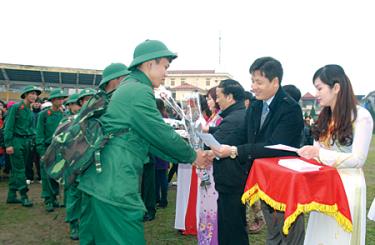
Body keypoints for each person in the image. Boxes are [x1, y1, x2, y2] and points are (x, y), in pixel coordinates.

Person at [77, 39, 210, 244]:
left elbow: (150, 140)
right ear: (149, 64)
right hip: (114, 183)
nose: (166, 73)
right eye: (165, 66)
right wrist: (192, 155)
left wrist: (190, 158)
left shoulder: (131, 86)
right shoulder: (139, 90)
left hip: (101, 180)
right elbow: (159, 133)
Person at [213, 57, 305, 244]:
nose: (253, 87)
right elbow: (242, 133)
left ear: (275, 82)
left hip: (285, 181)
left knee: (289, 232)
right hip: (263, 178)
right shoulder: (256, 105)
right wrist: (217, 148)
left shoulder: (290, 108)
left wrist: (234, 150)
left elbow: (274, 146)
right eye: (252, 81)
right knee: (272, 231)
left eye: (259, 82)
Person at [297, 64, 373, 245]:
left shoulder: (361, 116)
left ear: (336, 88)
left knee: (340, 238)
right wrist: (310, 154)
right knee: (320, 235)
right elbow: (318, 150)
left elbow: (358, 159)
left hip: (347, 187)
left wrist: (319, 153)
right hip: (323, 186)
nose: (316, 94)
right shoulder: (325, 117)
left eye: (319, 88)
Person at [208, 79, 248, 244]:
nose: (216, 100)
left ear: (230, 97)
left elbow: (214, 144)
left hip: (232, 181)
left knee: (231, 228)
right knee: (231, 225)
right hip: (233, 180)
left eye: (218, 96)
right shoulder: (237, 115)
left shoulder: (234, 119)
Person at [4, 85, 42, 207]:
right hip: (16, 141)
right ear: (25, 94)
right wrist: (8, 144)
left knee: (17, 170)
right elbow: (8, 126)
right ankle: (24, 196)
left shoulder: (30, 110)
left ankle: (11, 195)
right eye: (31, 93)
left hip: (27, 142)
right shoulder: (16, 107)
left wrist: (34, 140)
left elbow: (32, 129)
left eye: (35, 94)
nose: (34, 96)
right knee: (20, 170)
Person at [36, 88, 68, 212]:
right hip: (47, 147)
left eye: (62, 98)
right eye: (58, 99)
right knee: (45, 174)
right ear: (53, 100)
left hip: (59, 148)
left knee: (56, 173)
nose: (61, 101)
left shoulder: (64, 115)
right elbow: (39, 133)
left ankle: (54, 197)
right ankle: (48, 199)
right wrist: (41, 151)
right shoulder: (43, 114)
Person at [198, 86, 222, 244]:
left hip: (212, 166)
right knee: (205, 204)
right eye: (207, 98)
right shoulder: (213, 116)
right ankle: (206, 237)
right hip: (205, 165)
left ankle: (211, 238)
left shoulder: (220, 118)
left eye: (211, 98)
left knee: (211, 206)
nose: (209, 101)